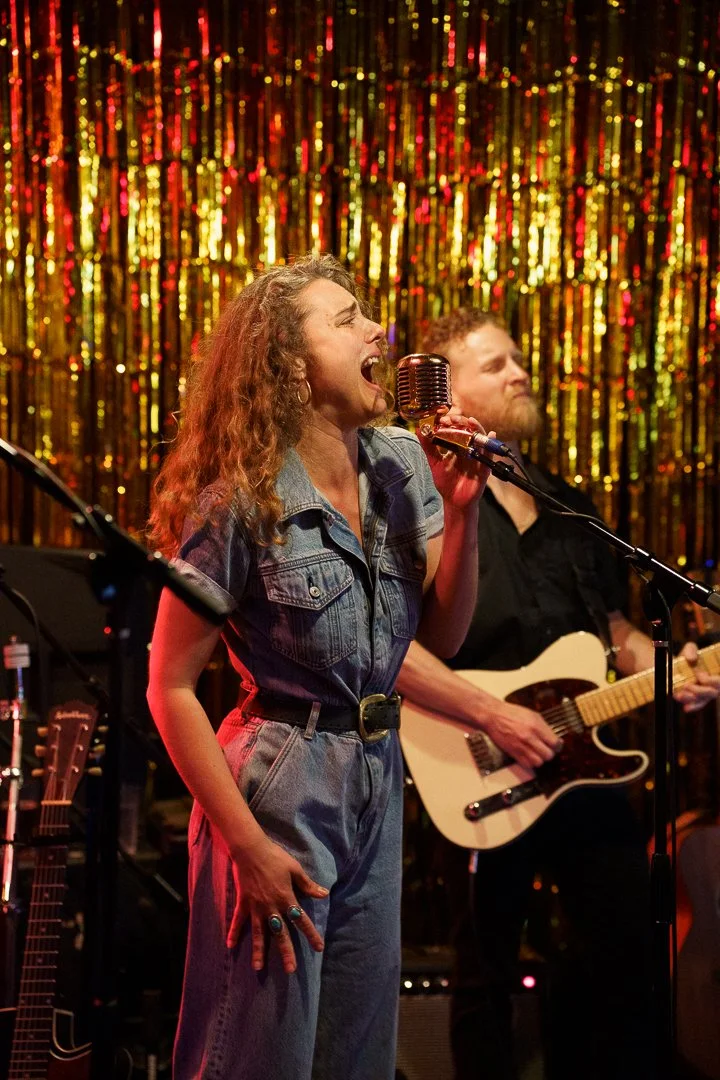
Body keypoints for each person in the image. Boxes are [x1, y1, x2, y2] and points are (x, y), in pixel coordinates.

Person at [145, 256, 491, 1080]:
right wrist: (246, 848)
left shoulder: (405, 466)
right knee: (256, 1054)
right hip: (280, 787)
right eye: (347, 320)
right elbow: (170, 687)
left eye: (370, 314)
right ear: (291, 369)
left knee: (356, 1056)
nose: (381, 331)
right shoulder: (240, 501)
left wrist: (466, 515)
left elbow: (445, 629)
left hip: (377, 775)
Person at [395, 309, 720, 1080]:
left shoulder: (566, 501)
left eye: (519, 358)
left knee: (627, 955)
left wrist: (677, 670)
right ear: (451, 393)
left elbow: (611, 631)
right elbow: (384, 650)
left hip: (583, 763)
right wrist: (491, 714)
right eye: (496, 364)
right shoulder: (415, 497)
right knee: (485, 972)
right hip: (471, 760)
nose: (520, 374)